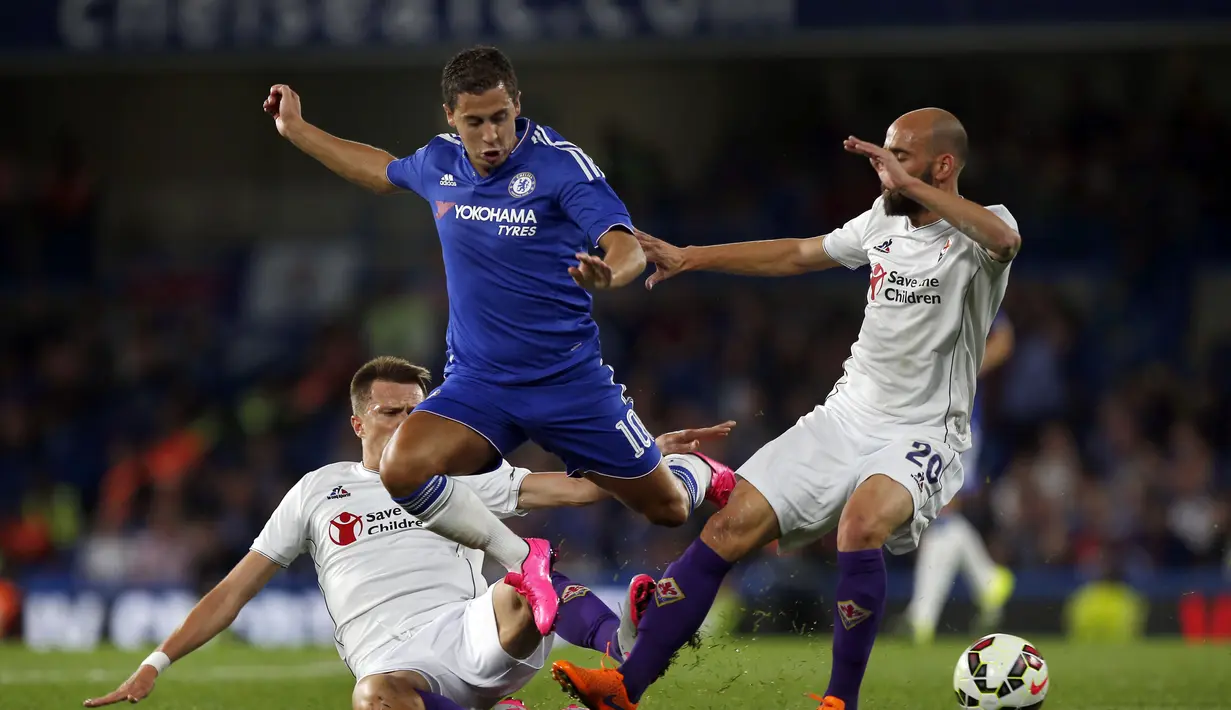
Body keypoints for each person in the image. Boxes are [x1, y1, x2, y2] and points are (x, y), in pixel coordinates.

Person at [552, 108, 1022, 710]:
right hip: (845, 416)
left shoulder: (983, 233)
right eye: (885, 156)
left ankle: (839, 702)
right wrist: (693, 257)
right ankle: (625, 685)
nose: (884, 170)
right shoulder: (882, 221)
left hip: (923, 430)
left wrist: (909, 185)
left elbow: (1006, 240)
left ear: (943, 164)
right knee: (729, 526)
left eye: (899, 158)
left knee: (861, 523)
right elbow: (801, 252)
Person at [261, 46, 735, 637]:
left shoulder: (561, 165)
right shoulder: (437, 162)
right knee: (401, 468)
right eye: (474, 122)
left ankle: (691, 471)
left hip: (569, 383)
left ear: (518, 106)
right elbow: (379, 171)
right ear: (449, 118)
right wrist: (298, 129)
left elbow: (625, 243)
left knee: (666, 509)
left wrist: (609, 273)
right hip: (479, 384)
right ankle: (524, 560)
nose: (491, 135)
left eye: (500, 118)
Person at [83, 356, 734, 710]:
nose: (407, 425)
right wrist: (153, 663)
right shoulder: (317, 491)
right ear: (359, 422)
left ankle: (624, 653)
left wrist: (641, 454)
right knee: (372, 698)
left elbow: (581, 487)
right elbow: (234, 589)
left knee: (520, 583)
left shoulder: (459, 472)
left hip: (472, 633)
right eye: (392, 413)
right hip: (397, 667)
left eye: (419, 413)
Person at [905, 314, 1016, 645]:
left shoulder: (968, 283)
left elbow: (1004, 338)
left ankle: (920, 619)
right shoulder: (921, 291)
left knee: (941, 511)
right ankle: (988, 581)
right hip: (927, 417)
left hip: (959, 419)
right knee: (932, 515)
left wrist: (966, 370)